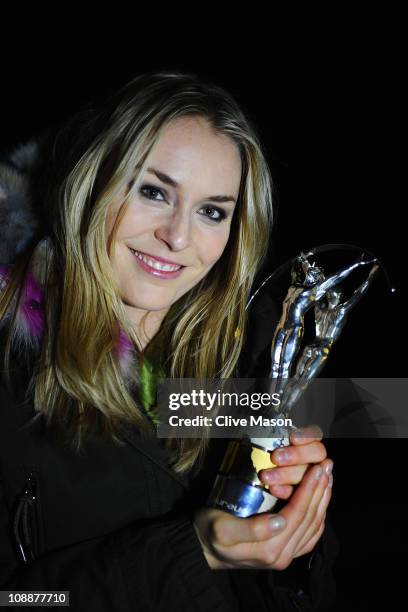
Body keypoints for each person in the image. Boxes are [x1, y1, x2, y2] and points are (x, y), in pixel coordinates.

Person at [0, 71, 338, 611]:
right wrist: (193, 550)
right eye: (154, 192)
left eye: (212, 211)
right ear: (92, 184)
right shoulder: (12, 365)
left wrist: (287, 528)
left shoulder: (249, 351)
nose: (179, 237)